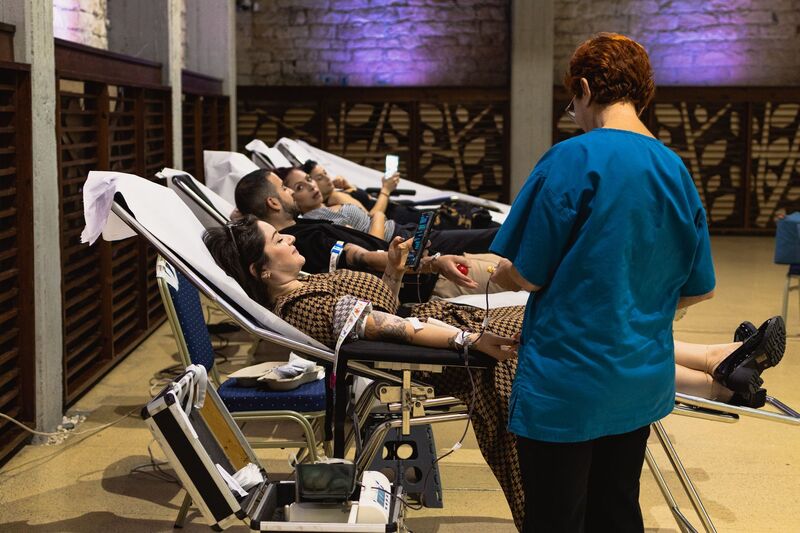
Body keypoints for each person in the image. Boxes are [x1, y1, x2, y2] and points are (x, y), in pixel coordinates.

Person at [203, 216, 785, 531]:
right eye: (277, 239)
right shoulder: (300, 305)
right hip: (451, 350)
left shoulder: (308, 287)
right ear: (260, 267)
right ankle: (715, 368)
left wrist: (400, 268)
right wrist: (468, 338)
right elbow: (386, 331)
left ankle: (716, 364)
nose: (289, 237)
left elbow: (378, 313)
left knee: (579, 330)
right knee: (574, 332)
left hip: (445, 329)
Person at [487, 33, 785, 532]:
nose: (574, 114)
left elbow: (529, 274)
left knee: (557, 516)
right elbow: (699, 287)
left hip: (568, 383)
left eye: (572, 102)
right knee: (617, 507)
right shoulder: (674, 169)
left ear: (583, 88)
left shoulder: (571, 159)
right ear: (642, 93)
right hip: (637, 381)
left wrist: (503, 272)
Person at [234, 168, 505, 301]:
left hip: (423, 268)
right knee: (510, 272)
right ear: (272, 203)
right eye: (284, 187)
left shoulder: (303, 228)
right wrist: (425, 263)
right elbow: (359, 257)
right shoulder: (304, 240)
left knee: (504, 261)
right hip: (426, 280)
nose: (291, 192)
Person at [276, 167, 501, 254]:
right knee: (485, 237)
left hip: (405, 229)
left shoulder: (332, 204)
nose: (313, 185)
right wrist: (381, 213)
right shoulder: (316, 222)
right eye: (300, 187)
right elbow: (371, 245)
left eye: (309, 180)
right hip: (401, 241)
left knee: (482, 234)